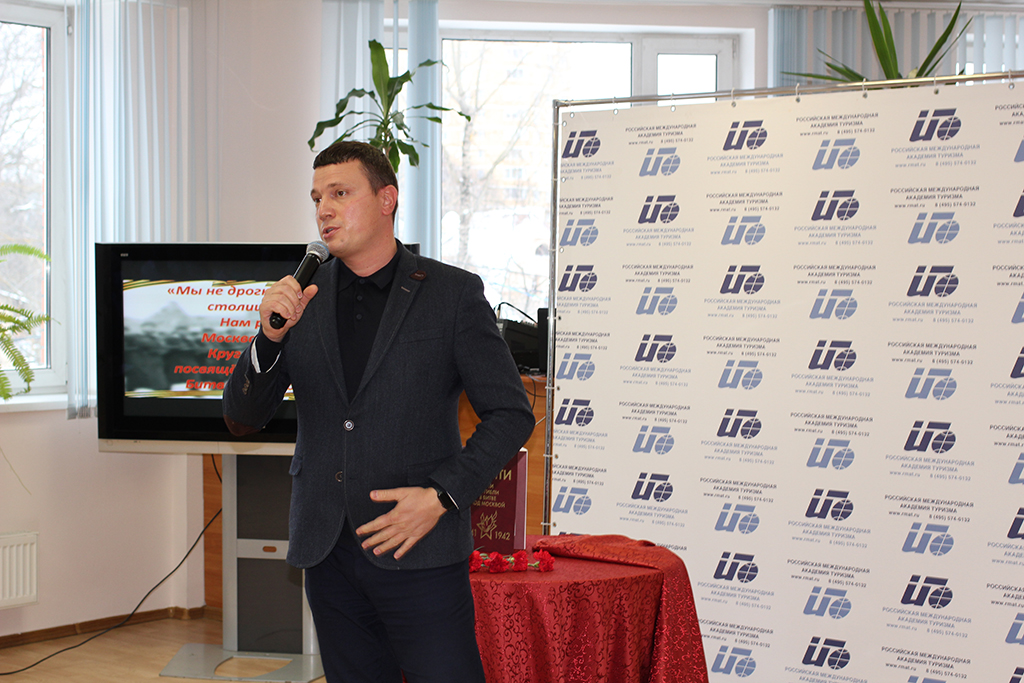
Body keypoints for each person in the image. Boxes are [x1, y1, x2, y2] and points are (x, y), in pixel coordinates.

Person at [222, 140, 536, 683]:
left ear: (387, 199)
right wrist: (269, 339)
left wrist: (441, 497)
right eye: (317, 198)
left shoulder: (452, 294)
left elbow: (511, 412)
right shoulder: (301, 298)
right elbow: (243, 418)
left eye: (339, 194)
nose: (324, 209)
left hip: (419, 547)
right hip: (327, 548)